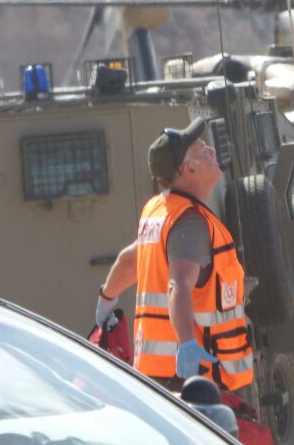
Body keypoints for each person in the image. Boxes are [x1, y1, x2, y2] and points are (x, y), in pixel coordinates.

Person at [95, 118, 254, 393]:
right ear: (188, 168)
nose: (212, 152)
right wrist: (187, 344)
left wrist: (106, 299)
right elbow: (177, 285)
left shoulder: (157, 211)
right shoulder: (190, 221)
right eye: (204, 150)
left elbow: (130, 261)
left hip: (155, 374)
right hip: (193, 377)